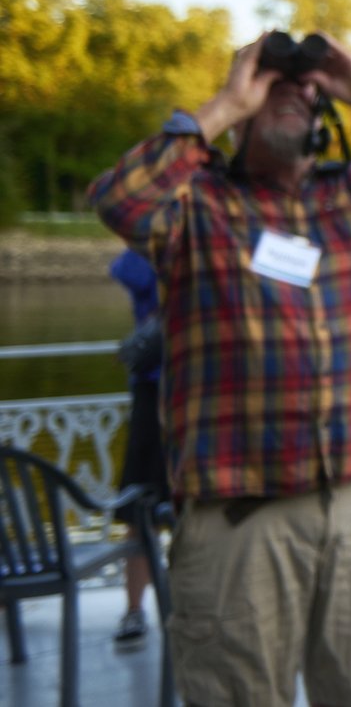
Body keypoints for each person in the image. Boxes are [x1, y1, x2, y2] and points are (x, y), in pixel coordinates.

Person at [88, 30, 351, 707]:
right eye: (275, 86)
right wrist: (224, 101)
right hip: (239, 519)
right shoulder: (194, 205)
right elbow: (119, 200)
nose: (295, 95)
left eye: (306, 89)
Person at [108, 246, 170, 645]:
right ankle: (134, 610)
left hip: (212, 390)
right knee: (141, 509)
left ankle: (197, 607)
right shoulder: (149, 249)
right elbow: (127, 270)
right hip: (155, 392)